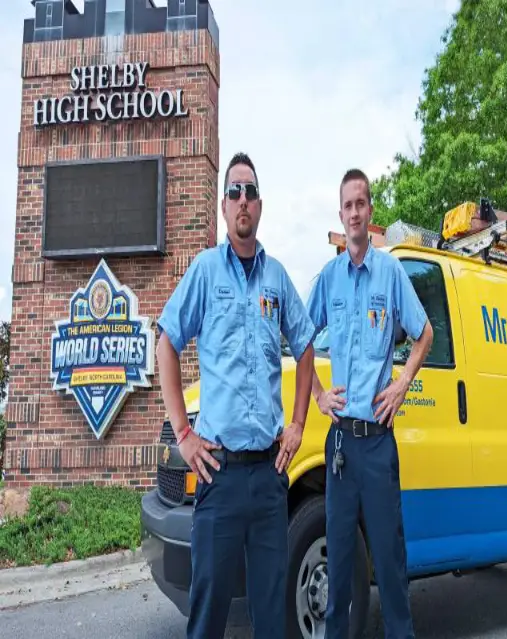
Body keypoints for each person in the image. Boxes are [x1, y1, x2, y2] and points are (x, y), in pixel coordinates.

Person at [156, 152, 316, 639]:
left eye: (249, 191)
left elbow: (306, 345)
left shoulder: (277, 279)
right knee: (208, 615)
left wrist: (298, 425)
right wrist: (183, 433)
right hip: (218, 477)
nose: (242, 200)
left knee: (271, 613)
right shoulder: (205, 272)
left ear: (259, 206)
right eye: (233, 192)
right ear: (224, 209)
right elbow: (165, 341)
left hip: (270, 479)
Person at [306, 168, 433, 639]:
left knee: (391, 564)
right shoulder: (330, 278)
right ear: (341, 214)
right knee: (339, 567)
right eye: (348, 205)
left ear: (370, 212)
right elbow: (299, 333)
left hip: (379, 446)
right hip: (341, 447)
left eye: (361, 203)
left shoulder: (390, 273)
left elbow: (424, 333)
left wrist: (400, 385)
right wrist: (318, 394)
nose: (355, 212)